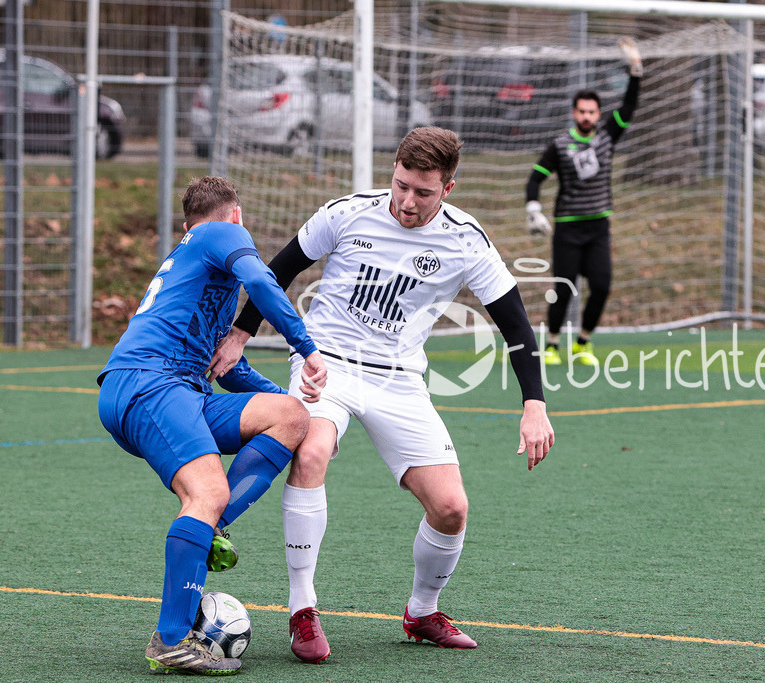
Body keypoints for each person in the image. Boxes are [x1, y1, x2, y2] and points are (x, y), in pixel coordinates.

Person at [211, 126, 554, 661]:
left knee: (450, 508)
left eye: (423, 192)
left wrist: (534, 403)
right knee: (313, 450)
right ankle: (303, 609)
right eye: (400, 185)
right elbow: (275, 271)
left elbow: (515, 325)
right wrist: (239, 332)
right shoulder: (347, 213)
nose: (407, 201)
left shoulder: (466, 239)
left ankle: (422, 611)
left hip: (399, 380)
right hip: (326, 365)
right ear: (391, 172)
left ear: (449, 189)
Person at [97, 176, 327, 675]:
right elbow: (266, 283)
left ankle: (212, 528)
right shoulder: (220, 233)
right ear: (237, 216)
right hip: (151, 384)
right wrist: (306, 349)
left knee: (291, 416)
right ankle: (172, 640)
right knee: (207, 492)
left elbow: (227, 367)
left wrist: (290, 396)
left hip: (171, 389)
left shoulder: (195, 270)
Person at [525, 37, 643, 366]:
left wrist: (635, 69)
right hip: (567, 228)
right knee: (564, 289)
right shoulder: (560, 145)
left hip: (598, 226)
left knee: (602, 286)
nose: (587, 116)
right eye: (582, 111)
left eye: (592, 111)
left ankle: (583, 342)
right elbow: (535, 178)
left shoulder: (608, 136)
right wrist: (533, 209)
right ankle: (550, 345)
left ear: (598, 113)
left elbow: (630, 106)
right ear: (574, 113)